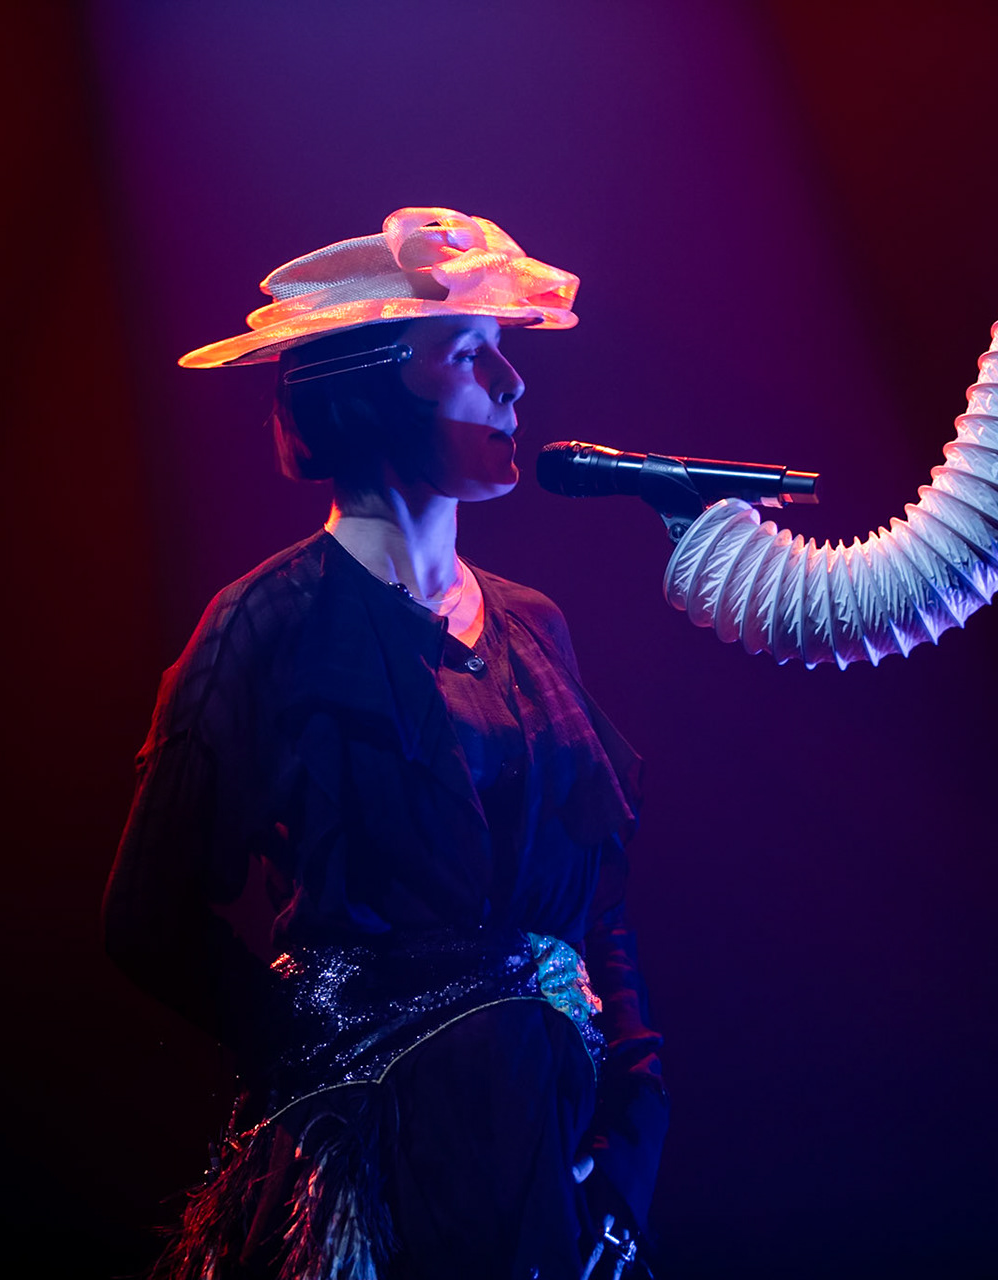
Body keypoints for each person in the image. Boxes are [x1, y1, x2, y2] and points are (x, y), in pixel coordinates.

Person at [104, 208, 667, 1280]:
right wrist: (328, 1059)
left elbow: (601, 903)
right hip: (387, 1168)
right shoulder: (262, 623)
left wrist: (635, 1128)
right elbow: (145, 914)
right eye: (466, 353)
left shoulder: (533, 622)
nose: (511, 382)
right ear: (371, 388)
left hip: (549, 1153)